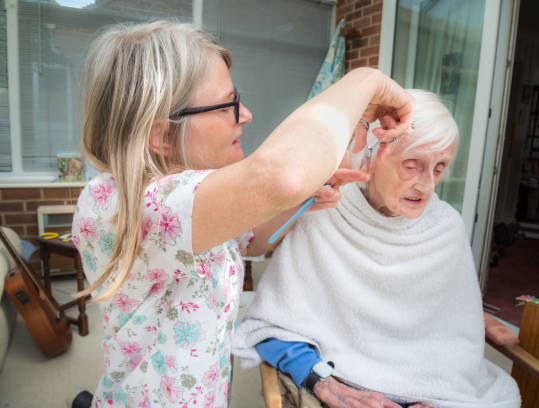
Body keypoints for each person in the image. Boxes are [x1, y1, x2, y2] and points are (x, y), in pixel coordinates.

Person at [70, 20, 413, 408]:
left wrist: (303, 200)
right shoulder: (124, 204)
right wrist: (367, 79)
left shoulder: (196, 190)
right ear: (163, 135)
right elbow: (284, 176)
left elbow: (250, 242)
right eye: (228, 104)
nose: (246, 114)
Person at [233, 89, 521, 408]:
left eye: (439, 168)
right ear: (372, 155)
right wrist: (323, 382)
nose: (427, 185)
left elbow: (456, 339)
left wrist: (441, 400)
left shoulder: (445, 226)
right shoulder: (327, 209)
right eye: (412, 165)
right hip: (342, 379)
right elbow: (277, 324)